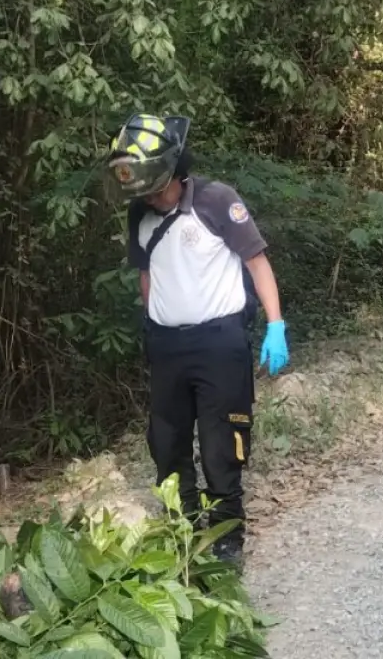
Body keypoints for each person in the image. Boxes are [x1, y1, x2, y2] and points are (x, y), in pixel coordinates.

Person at [103, 113, 289, 567]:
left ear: (171, 171)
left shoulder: (216, 200)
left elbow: (257, 263)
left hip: (219, 344)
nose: (146, 197)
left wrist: (275, 324)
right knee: (166, 441)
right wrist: (151, 325)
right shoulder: (139, 215)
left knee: (222, 440)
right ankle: (181, 527)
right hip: (167, 345)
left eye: (152, 187)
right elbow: (148, 275)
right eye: (139, 191)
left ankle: (226, 535)